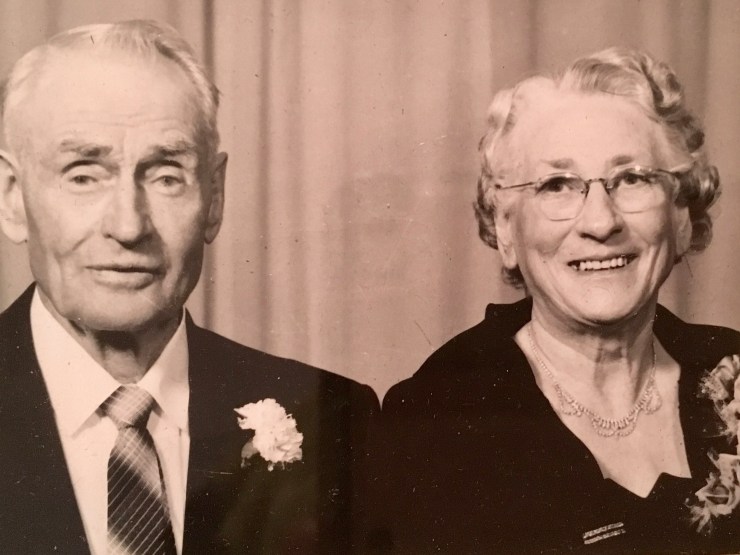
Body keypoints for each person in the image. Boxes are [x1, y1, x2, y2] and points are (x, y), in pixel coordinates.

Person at [0, 20, 378, 554]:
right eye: (84, 175)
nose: (128, 226)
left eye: (166, 176)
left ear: (214, 197)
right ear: (13, 198)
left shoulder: (334, 421)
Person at [379, 48, 740, 553]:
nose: (601, 222)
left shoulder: (731, 366)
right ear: (506, 228)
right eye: (557, 186)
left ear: (681, 216)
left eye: (632, 178)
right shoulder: (434, 419)